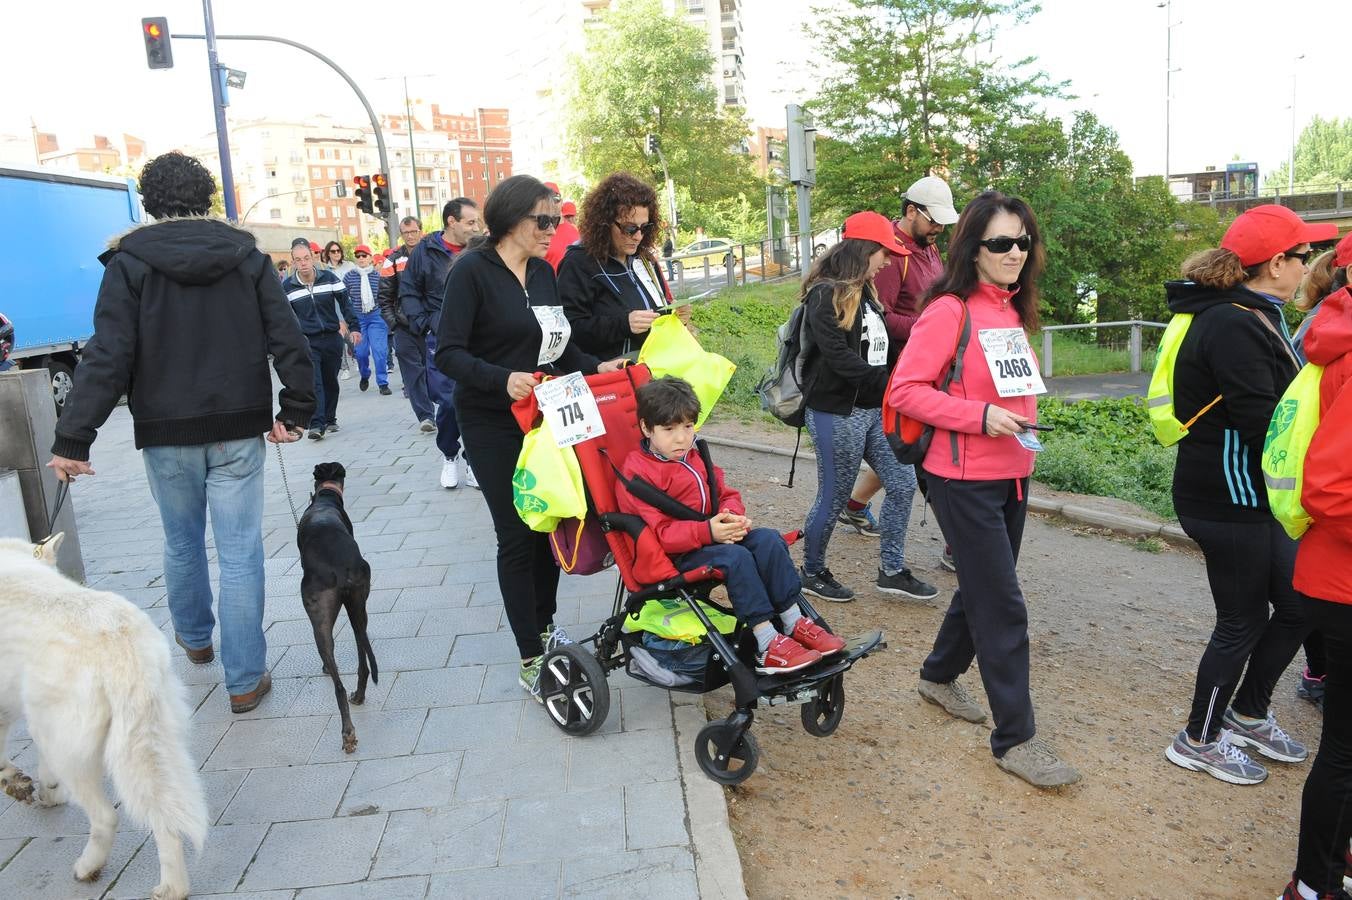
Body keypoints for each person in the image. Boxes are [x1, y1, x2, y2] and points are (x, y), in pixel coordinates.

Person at [46, 151, 314, 714]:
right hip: (238, 426)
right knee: (241, 551)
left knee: (181, 540)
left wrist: (74, 438)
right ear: (207, 198)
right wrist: (296, 410)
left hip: (165, 431)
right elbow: (286, 336)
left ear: (148, 202)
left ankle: (194, 641)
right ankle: (244, 679)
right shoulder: (246, 257)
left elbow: (108, 354)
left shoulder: (129, 263)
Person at [890, 190, 1079, 788]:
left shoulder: (1011, 310)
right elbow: (904, 391)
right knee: (1002, 604)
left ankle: (938, 675)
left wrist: (1014, 423)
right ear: (972, 249)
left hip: (1011, 476)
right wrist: (979, 417)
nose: (1015, 252)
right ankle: (1016, 738)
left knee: (982, 588)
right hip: (961, 479)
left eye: (1023, 241)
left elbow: (1010, 388)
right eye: (1001, 242)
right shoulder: (950, 310)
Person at [1158, 204, 1332, 785]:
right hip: (1227, 499)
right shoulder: (1233, 321)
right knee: (1241, 620)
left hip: (1255, 498)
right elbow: (1265, 423)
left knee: (1301, 604)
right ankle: (1198, 737)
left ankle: (1248, 711)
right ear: (1274, 263)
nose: (1310, 266)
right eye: (1304, 257)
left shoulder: (1260, 312)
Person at [435, 174, 624, 699]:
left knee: (553, 523)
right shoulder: (472, 272)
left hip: (547, 417)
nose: (552, 229)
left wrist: (595, 366)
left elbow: (557, 346)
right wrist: (502, 379)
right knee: (518, 533)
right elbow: (447, 352)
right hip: (492, 421)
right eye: (544, 221)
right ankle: (529, 653)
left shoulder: (543, 272)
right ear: (511, 220)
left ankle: (545, 625)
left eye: (557, 220)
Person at [616, 376, 846, 673]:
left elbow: (725, 493)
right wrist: (707, 531)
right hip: (672, 557)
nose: (682, 438)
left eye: (688, 426)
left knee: (768, 540)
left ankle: (793, 621)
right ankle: (767, 642)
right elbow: (658, 534)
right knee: (736, 557)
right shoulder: (638, 474)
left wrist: (731, 515)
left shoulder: (694, 455)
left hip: (709, 537)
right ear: (647, 428)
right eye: (669, 429)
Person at [799, 211, 937, 604]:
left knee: (903, 482)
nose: (888, 262)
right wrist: (893, 383)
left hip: (874, 410)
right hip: (835, 412)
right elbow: (839, 358)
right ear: (865, 250)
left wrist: (900, 380)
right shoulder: (824, 294)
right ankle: (812, 571)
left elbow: (876, 354)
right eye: (884, 253)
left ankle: (892, 570)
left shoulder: (868, 294)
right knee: (835, 494)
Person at [1279, 232, 1352, 900]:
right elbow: (1328, 487)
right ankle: (1315, 884)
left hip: (1332, 572)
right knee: (1345, 750)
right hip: (1342, 577)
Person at [839, 175, 960, 555]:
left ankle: (854, 504)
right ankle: (959, 543)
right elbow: (880, 316)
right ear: (911, 212)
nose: (940, 228)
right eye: (934, 221)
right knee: (924, 452)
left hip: (929, 363)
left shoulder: (929, 247)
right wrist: (930, 329)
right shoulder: (892, 258)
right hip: (901, 369)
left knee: (903, 449)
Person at [1286, 238, 1352, 716]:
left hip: (1322, 547)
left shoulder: (1321, 329)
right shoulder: (1331, 339)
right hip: (1333, 550)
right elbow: (1329, 484)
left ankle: (1316, 673)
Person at [557, 172, 689, 360]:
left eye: (645, 228)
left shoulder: (644, 260)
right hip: (615, 374)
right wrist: (623, 324)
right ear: (604, 223)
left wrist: (675, 318)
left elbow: (658, 311)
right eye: (630, 228)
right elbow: (569, 330)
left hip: (658, 364)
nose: (638, 236)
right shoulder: (579, 264)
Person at [402, 198, 481, 489]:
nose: (477, 228)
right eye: (471, 222)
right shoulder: (425, 250)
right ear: (452, 222)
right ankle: (450, 455)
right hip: (441, 335)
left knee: (475, 399)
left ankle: (474, 460)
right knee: (448, 400)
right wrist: (423, 324)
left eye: (478, 222)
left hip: (478, 335)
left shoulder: (481, 248)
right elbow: (409, 290)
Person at [283, 238, 362, 440]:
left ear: (313, 258)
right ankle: (316, 424)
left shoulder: (329, 278)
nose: (303, 263)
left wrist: (353, 327)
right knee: (314, 382)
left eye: (306, 258)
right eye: (298, 260)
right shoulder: (287, 287)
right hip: (308, 341)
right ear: (293, 262)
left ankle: (329, 417)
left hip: (332, 338)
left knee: (330, 381)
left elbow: (346, 303)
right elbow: (283, 317)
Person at [380, 216, 432, 425]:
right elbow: (384, 297)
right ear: (401, 235)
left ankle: (441, 408)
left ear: (421, 231)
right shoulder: (392, 260)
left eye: (414, 231)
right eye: (406, 233)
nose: (410, 236)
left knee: (433, 370)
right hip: (404, 326)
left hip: (430, 324)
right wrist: (394, 324)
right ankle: (426, 417)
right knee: (413, 374)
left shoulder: (431, 255)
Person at [344, 245, 390, 395]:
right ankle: (365, 374)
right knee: (361, 353)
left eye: (364, 255)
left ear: (370, 257)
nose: (361, 258)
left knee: (380, 351)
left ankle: (383, 382)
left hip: (376, 316)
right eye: (358, 256)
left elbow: (386, 295)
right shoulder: (349, 276)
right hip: (358, 318)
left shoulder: (378, 276)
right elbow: (343, 299)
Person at [545, 199, 581, 271]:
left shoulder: (578, 232)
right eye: (567, 216)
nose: (570, 219)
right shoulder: (546, 231)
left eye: (572, 216)